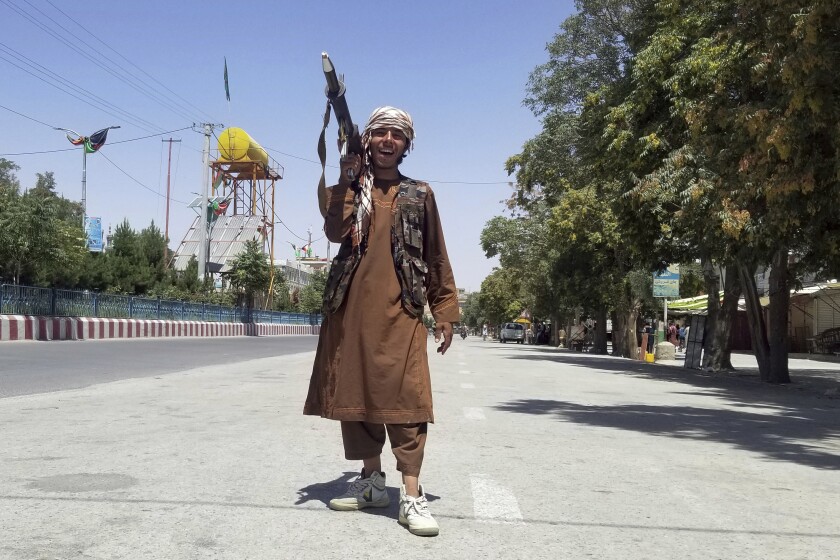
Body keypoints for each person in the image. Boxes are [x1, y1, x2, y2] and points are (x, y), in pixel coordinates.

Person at [304, 106, 459, 537]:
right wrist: (347, 179)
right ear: (367, 141)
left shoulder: (419, 194)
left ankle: (411, 495)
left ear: (407, 144)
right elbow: (335, 232)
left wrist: (443, 310)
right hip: (350, 312)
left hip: (402, 312)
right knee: (357, 398)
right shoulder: (353, 187)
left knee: (408, 401)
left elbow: (435, 255)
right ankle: (371, 483)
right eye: (380, 133)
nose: (388, 140)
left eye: (397, 134)